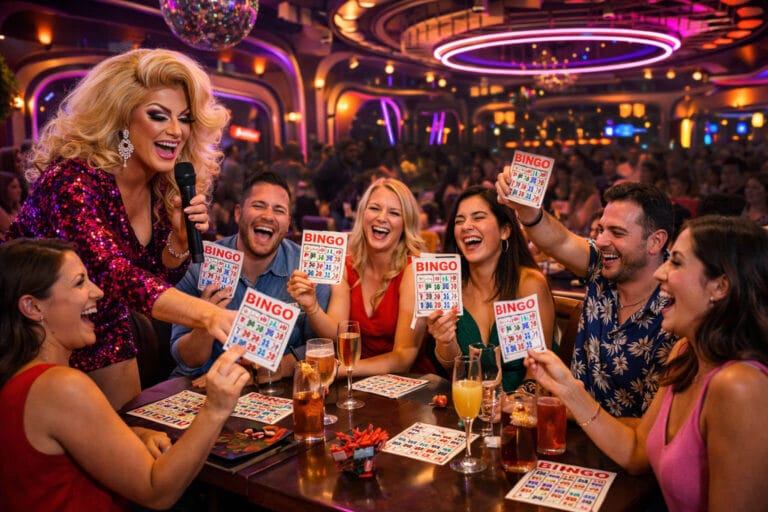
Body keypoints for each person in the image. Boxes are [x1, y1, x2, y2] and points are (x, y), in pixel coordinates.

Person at [5, 49, 235, 409]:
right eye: (158, 115)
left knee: (132, 430)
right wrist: (208, 314)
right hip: (29, 329)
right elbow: (110, 272)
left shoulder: (161, 187)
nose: (175, 131)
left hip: (103, 319)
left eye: (184, 119)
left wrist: (178, 239)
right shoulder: (73, 179)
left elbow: (154, 280)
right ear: (122, 117)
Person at [524, 216, 768, 511]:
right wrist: (568, 389)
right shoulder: (684, 353)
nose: (660, 273)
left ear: (720, 286)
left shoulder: (740, 386)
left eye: (676, 262)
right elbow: (636, 451)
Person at [0, 238, 250, 511]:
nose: (98, 291)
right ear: (33, 307)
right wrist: (215, 408)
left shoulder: (22, 377)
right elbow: (157, 491)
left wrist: (131, 435)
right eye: (80, 282)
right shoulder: (60, 386)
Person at [496, 177, 676, 418]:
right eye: (601, 229)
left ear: (655, 241)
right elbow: (559, 240)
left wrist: (559, 410)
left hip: (612, 440)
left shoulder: (677, 310)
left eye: (617, 233)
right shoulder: (602, 264)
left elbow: (650, 431)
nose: (600, 241)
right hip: (567, 431)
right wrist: (525, 208)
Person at [170, 171, 330, 379]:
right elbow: (186, 360)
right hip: (204, 382)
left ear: (288, 223)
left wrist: (273, 370)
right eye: (258, 206)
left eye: (279, 210)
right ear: (238, 213)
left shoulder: (308, 268)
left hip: (276, 387)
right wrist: (207, 322)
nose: (268, 216)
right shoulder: (200, 264)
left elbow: (321, 347)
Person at [287, 178, 433, 376]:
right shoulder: (346, 265)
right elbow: (337, 334)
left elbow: (403, 359)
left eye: (394, 213)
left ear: (406, 223)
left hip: (410, 384)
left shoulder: (414, 270)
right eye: (374, 208)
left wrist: (340, 370)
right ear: (363, 214)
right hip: (357, 383)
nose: (382, 218)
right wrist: (312, 307)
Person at [426, 186, 555, 393]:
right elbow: (453, 370)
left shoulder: (528, 285)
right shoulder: (449, 286)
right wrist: (445, 340)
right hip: (467, 404)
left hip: (521, 406)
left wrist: (514, 404)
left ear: (505, 231)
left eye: (478, 217)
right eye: (459, 221)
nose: (466, 226)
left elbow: (540, 371)